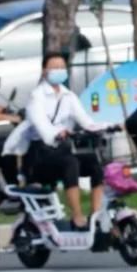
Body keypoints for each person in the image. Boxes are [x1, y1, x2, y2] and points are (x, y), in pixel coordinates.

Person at [19, 53, 107, 229]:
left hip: (63, 150)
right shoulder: (36, 97)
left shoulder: (69, 96)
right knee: (71, 162)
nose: (59, 71)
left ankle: (95, 215)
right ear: (44, 71)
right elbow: (41, 126)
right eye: (54, 67)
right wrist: (57, 133)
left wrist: (110, 126)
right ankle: (77, 216)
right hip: (40, 155)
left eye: (62, 67)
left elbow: (87, 122)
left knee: (94, 163)